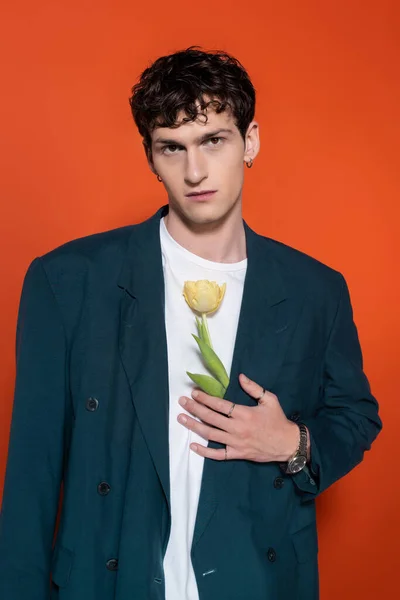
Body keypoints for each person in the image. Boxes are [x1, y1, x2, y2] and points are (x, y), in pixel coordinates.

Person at [0, 46, 382, 600]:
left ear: (250, 141)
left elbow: (355, 415)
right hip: (109, 579)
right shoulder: (67, 282)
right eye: (171, 148)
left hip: (256, 578)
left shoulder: (314, 289)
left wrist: (293, 443)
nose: (194, 170)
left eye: (213, 140)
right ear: (150, 157)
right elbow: (30, 479)